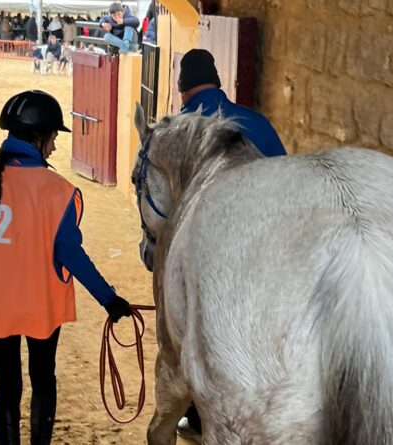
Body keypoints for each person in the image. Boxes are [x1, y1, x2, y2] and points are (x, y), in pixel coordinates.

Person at [0, 90, 133, 445]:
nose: (53, 148)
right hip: (40, 304)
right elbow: (70, 254)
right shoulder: (58, 190)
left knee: (5, 386)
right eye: (53, 139)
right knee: (43, 378)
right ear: (39, 138)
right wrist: (109, 299)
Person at [173, 49, 286, 443]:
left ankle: (194, 412)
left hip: (212, 253)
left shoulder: (180, 129)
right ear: (218, 81)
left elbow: (170, 209)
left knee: (186, 322)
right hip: (271, 243)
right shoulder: (257, 121)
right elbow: (286, 179)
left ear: (182, 88)